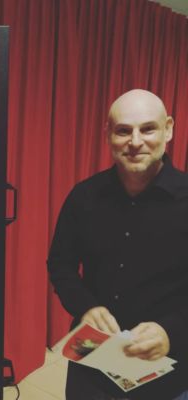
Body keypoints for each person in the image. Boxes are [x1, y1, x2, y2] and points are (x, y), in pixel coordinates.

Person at [47, 89, 188, 400]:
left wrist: (174, 329)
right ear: (108, 134)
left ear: (168, 130)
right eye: (123, 131)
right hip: (92, 355)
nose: (135, 142)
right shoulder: (84, 195)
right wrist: (85, 306)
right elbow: (60, 264)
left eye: (148, 129)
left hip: (170, 363)